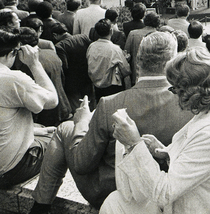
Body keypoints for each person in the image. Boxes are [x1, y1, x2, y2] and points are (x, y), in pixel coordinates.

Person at [28, 32, 193, 213]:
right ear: (174, 62)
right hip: (166, 193)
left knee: (65, 128)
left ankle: (41, 206)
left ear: (138, 62)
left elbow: (82, 164)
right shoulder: (189, 105)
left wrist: (82, 121)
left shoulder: (110, 104)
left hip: (114, 192)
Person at [97, 46, 210, 214]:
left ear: (190, 92)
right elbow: (195, 160)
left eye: (174, 89)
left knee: (114, 206)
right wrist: (165, 152)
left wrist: (133, 144)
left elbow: (164, 193)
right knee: (114, 203)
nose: (173, 95)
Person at [0, 31, 58, 189]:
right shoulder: (12, 79)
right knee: (63, 135)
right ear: (12, 53)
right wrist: (34, 64)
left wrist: (34, 130)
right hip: (10, 170)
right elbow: (52, 100)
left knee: (42, 130)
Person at [14, 27, 71, 127]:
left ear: (21, 46)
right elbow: (62, 79)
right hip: (63, 106)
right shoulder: (52, 54)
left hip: (44, 114)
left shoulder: (25, 63)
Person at [51, 22, 92, 109]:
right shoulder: (83, 37)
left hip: (72, 81)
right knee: (90, 102)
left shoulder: (60, 46)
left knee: (77, 106)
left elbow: (64, 66)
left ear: (55, 35)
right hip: (87, 76)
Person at [86, 19, 130, 102]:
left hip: (96, 86)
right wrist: (126, 59)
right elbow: (126, 70)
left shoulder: (91, 46)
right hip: (111, 86)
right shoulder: (114, 48)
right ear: (111, 31)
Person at [124, 12, 160, 86]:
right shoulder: (161, 36)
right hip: (155, 74)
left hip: (137, 72)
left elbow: (126, 53)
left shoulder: (133, 34)